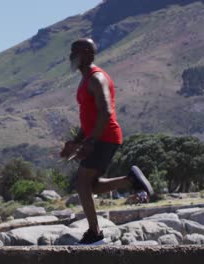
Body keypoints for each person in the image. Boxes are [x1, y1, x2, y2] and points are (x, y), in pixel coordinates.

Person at [60, 38, 154, 245]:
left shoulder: (97, 78)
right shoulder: (85, 80)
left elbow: (106, 111)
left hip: (105, 136)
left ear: (86, 53)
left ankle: (95, 234)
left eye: (74, 52)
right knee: (90, 186)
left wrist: (91, 141)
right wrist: (75, 142)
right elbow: (89, 119)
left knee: (82, 183)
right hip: (100, 136)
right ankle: (131, 180)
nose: (70, 57)